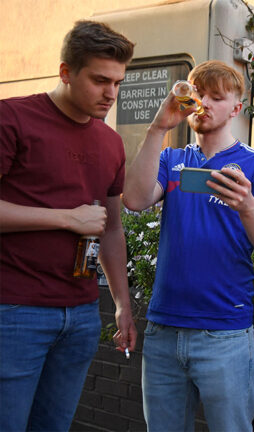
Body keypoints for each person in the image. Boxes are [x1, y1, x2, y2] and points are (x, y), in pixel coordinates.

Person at [122, 60, 254, 430]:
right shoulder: (171, 158)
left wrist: (246, 204)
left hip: (224, 333)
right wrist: (158, 128)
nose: (204, 103)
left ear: (236, 109)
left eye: (216, 97)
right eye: (199, 95)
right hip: (164, 330)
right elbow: (133, 200)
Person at [0, 20, 136, 431]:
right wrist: (65, 219)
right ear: (65, 72)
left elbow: (111, 228)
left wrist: (123, 305)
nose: (110, 93)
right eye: (99, 81)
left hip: (80, 315)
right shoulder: (13, 118)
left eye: (117, 82)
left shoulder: (111, 142)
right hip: (14, 311)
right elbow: (83, 221)